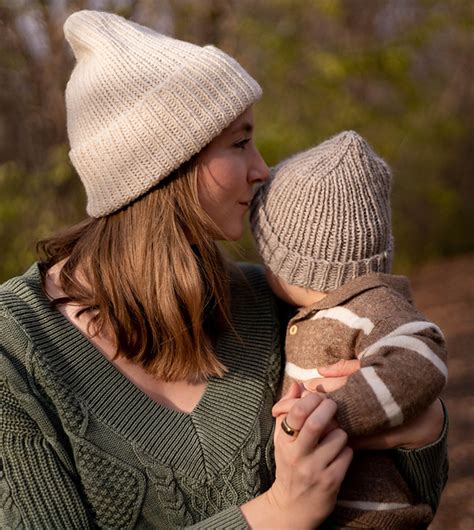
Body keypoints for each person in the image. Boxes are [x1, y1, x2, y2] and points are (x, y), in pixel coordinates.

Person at [0, 11, 447, 529]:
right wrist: (279, 512)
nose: (262, 170)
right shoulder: (15, 354)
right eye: (239, 143)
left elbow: (404, 497)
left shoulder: (274, 304)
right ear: (163, 168)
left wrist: (419, 427)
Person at [250, 131, 448, 529]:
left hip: (371, 517)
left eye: (268, 256)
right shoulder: (325, 312)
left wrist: (334, 414)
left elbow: (422, 357)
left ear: (297, 266)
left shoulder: (373, 306)